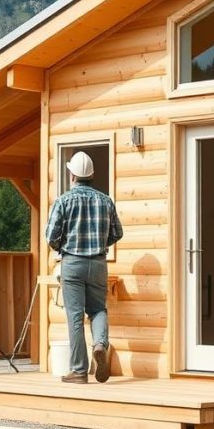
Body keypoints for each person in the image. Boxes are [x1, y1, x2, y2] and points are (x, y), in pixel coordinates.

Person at [45, 151, 123, 384]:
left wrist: (64, 246)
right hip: (98, 263)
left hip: (72, 262)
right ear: (92, 175)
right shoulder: (106, 200)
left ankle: (79, 370)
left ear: (72, 175)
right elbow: (117, 233)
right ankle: (100, 344)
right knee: (98, 309)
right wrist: (99, 244)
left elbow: (50, 236)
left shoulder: (63, 201)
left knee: (75, 317)